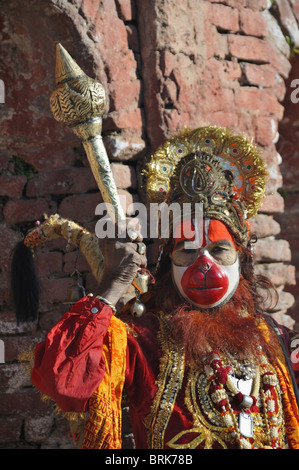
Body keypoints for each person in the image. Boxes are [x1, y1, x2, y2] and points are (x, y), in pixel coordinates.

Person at [16, 126, 299, 449]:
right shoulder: (142, 340)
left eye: (219, 250)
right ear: (169, 261)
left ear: (241, 257)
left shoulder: (274, 339)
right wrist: (111, 286)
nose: (204, 264)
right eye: (188, 251)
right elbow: (61, 379)